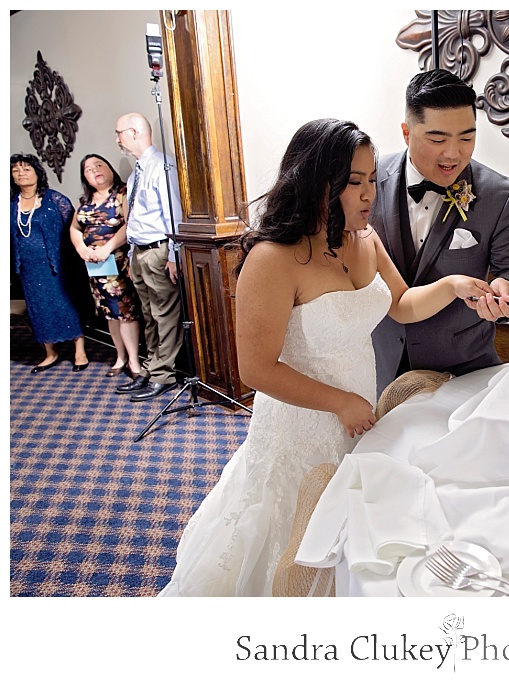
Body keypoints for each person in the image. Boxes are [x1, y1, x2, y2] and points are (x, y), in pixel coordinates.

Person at [158, 118, 491, 597]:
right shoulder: (273, 258)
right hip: (301, 424)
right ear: (314, 182)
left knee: (348, 540)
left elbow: (401, 305)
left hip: (358, 417)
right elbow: (256, 369)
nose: (368, 194)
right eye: (353, 183)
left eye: (372, 180)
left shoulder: (365, 241)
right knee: (293, 539)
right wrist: (338, 401)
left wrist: (455, 286)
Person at [370, 68, 509, 395]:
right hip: (374, 371)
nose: (453, 153)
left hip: (463, 377)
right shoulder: (366, 181)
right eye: (437, 139)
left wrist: (505, 287)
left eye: (467, 137)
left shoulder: (500, 196)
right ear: (407, 133)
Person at [113, 112, 183, 401]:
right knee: (149, 315)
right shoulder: (136, 174)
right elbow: (136, 221)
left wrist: (174, 256)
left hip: (158, 250)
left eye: (119, 133)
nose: (117, 139)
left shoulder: (162, 167)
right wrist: (131, 256)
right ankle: (150, 367)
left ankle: (164, 374)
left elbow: (173, 212)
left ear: (134, 132)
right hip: (140, 253)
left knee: (164, 313)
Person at [10, 153, 90, 372]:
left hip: (56, 265)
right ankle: (50, 353)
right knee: (38, 309)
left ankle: (80, 351)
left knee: (65, 304)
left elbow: (74, 229)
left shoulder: (55, 199)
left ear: (37, 172)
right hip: (28, 268)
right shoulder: (10, 204)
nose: (21, 173)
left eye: (26, 169)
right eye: (16, 170)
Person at [69, 153, 143, 380]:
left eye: (99, 165)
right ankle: (119, 356)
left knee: (125, 313)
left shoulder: (123, 193)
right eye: (88, 169)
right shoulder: (85, 201)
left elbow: (128, 225)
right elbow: (75, 228)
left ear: (109, 168)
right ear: (85, 178)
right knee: (110, 314)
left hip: (119, 264)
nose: (94, 171)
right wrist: (82, 249)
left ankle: (134, 360)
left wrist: (106, 248)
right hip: (96, 269)